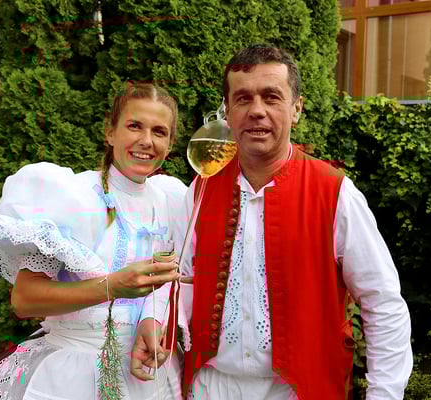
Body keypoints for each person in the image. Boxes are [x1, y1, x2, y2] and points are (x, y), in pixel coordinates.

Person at [131, 44, 413, 399]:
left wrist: (384, 394)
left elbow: (382, 303)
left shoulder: (335, 193)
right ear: (228, 111)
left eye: (271, 97)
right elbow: (177, 280)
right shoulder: (202, 189)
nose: (256, 111)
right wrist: (155, 318)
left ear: (297, 109)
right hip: (211, 388)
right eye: (243, 99)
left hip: (299, 392)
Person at [0, 82, 187, 400]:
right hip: (75, 374)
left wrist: (152, 318)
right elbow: (25, 299)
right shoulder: (74, 197)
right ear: (110, 132)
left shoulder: (172, 199)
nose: (146, 140)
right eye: (134, 125)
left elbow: (169, 283)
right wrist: (112, 287)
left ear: (170, 144)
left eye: (159, 131)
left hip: (151, 375)